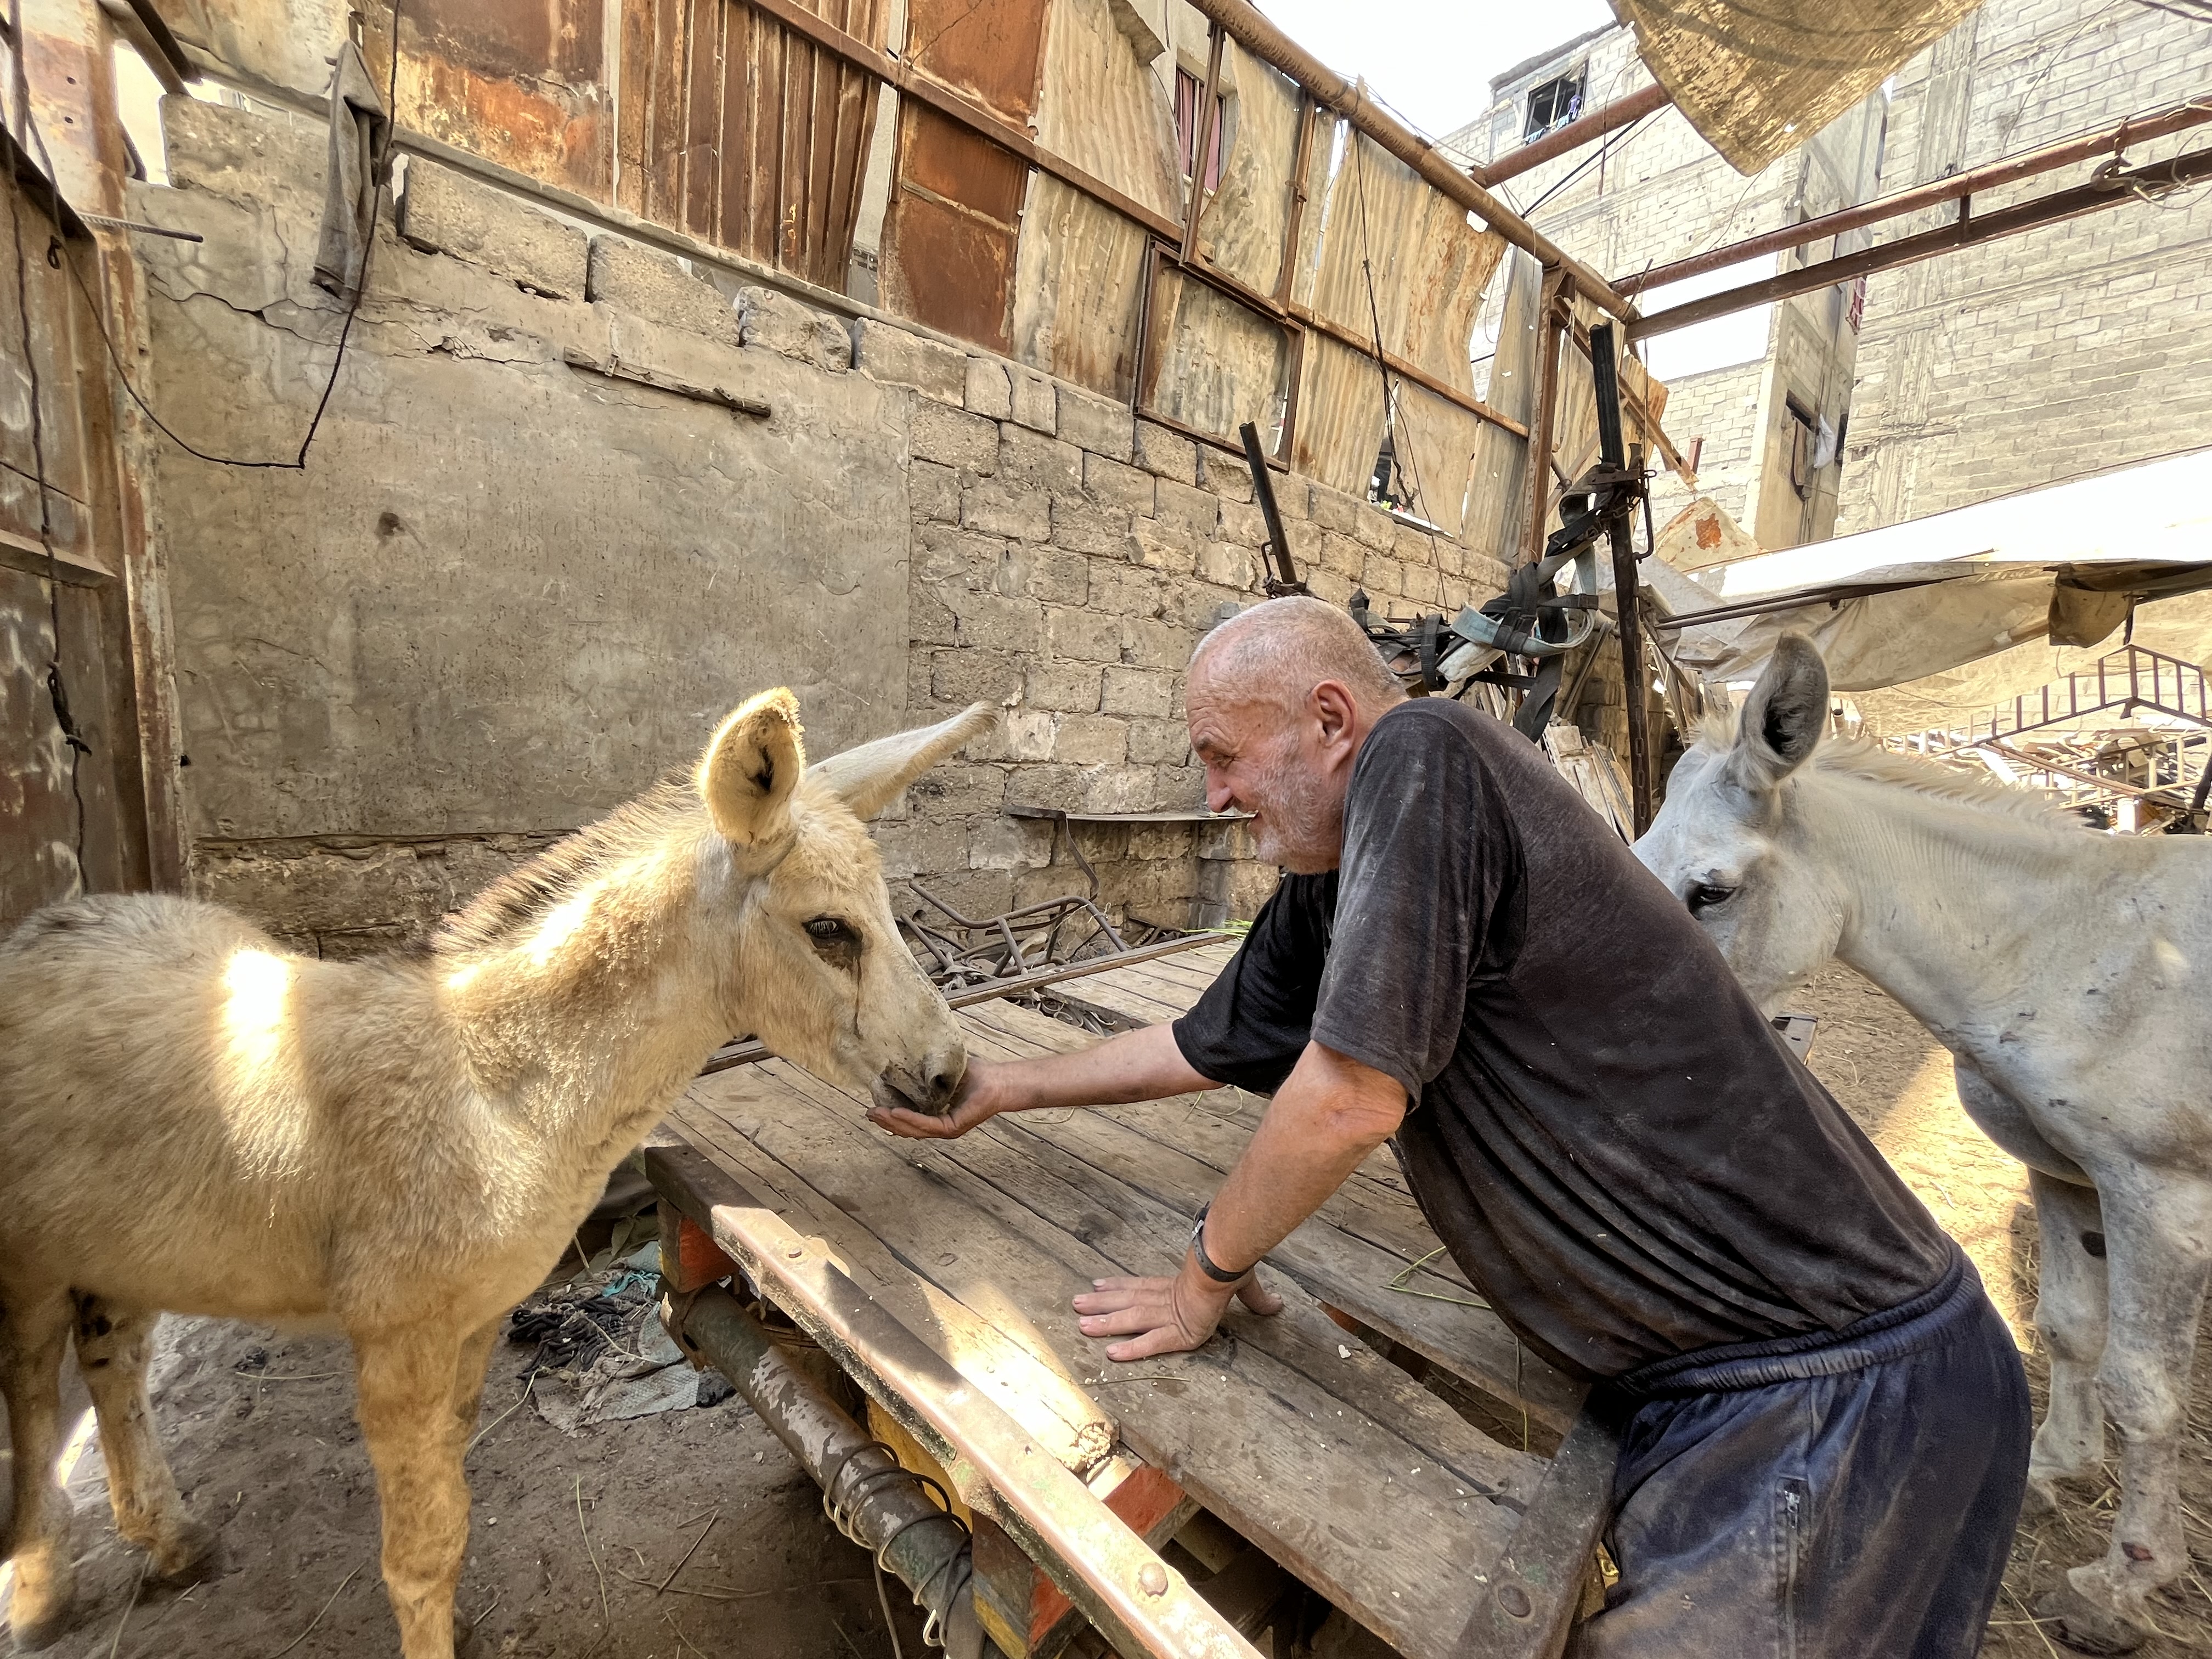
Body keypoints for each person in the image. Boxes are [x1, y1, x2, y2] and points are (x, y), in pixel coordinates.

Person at [870, 596, 2030, 1657]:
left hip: (1833, 1386)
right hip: (1710, 1392)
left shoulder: (1424, 758)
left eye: (1223, 757)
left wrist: (1202, 1276)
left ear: (1330, 719)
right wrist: (1005, 1088)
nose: (1215, 795)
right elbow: (1198, 1044)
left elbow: (1348, 1098)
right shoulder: (1339, 873)